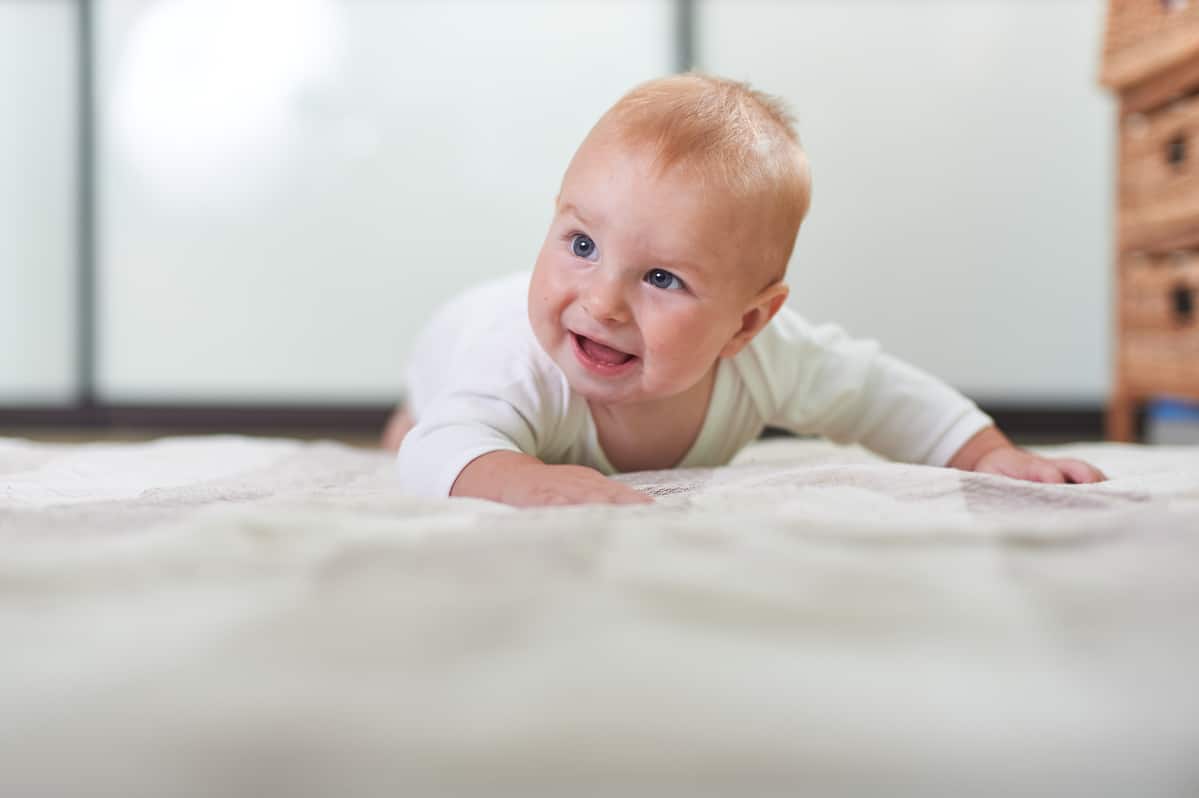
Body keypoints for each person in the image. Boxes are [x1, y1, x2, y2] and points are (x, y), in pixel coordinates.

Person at [384, 73, 1106, 506]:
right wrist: (517, 478)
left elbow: (877, 393)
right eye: (581, 244)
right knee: (419, 426)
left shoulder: (768, 358)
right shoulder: (517, 358)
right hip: (458, 332)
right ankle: (403, 405)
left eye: (662, 278)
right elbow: (436, 451)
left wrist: (984, 455)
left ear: (746, 323)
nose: (601, 301)